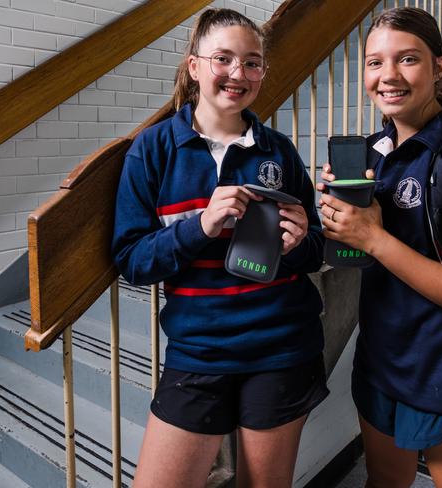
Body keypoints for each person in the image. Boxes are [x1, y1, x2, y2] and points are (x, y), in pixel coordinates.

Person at [112, 8, 327, 488]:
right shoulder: (152, 150)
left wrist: (296, 244)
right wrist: (201, 226)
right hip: (199, 353)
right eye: (223, 59)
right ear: (194, 67)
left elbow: (316, 248)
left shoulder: (279, 151)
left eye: (253, 63)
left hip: (282, 349)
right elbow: (132, 261)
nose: (238, 74)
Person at [318, 7, 442, 488]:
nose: (388, 76)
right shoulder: (373, 154)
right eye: (374, 62)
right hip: (381, 364)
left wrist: (375, 238)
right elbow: (364, 256)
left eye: (407, 59)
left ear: (438, 67)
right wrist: (339, 222)